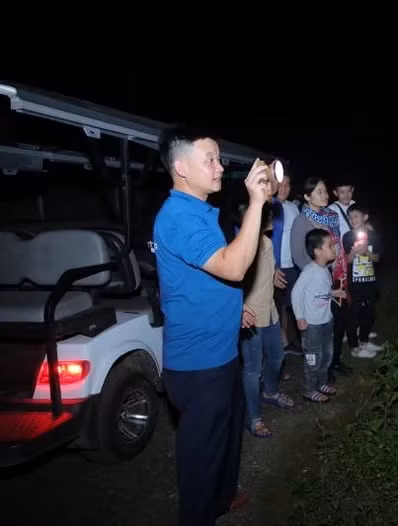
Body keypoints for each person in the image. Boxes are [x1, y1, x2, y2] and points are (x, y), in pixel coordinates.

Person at [153, 126, 271, 526]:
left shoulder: (199, 211)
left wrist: (231, 309)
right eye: (211, 160)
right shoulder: (177, 217)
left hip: (222, 353)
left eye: (219, 159)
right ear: (181, 167)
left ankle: (222, 498)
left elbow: (203, 276)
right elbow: (234, 266)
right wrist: (256, 203)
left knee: (227, 438)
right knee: (200, 460)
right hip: (197, 365)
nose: (220, 168)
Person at [240, 199, 294, 439]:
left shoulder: (267, 242)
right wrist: (239, 307)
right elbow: (232, 280)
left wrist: (273, 276)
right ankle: (253, 418)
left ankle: (270, 392)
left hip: (269, 309)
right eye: (270, 215)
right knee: (252, 370)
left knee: (277, 356)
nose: (274, 219)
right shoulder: (243, 245)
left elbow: (265, 272)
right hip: (250, 315)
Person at [290, 177, 353, 380]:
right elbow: (298, 254)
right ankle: (321, 371)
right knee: (321, 327)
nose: (324, 195)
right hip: (316, 281)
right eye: (318, 192)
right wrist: (317, 273)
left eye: (325, 191)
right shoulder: (302, 221)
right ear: (307, 196)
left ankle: (334, 360)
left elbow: (338, 247)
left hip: (336, 274)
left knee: (338, 321)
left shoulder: (331, 216)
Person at [291, 228, 346, 402]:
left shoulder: (324, 269)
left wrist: (335, 292)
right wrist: (300, 317)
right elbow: (296, 294)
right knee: (312, 358)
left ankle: (321, 383)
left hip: (325, 321)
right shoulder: (309, 271)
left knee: (326, 355)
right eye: (330, 246)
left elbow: (321, 292)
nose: (334, 248)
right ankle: (309, 389)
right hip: (311, 324)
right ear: (317, 251)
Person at [342, 203, 385, 358]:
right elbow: (347, 260)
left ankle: (364, 341)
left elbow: (378, 258)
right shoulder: (347, 237)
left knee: (370, 313)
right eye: (350, 217)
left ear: (365, 217)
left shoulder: (374, 236)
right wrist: (354, 252)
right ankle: (354, 346)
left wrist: (366, 251)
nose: (353, 220)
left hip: (371, 282)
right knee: (354, 314)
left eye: (356, 216)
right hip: (354, 284)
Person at [273, 174, 301, 352]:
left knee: (289, 305)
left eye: (287, 185)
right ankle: (277, 345)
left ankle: (286, 340)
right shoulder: (267, 206)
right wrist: (272, 267)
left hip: (292, 264)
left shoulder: (293, 208)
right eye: (280, 185)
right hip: (275, 266)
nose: (283, 189)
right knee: (274, 306)